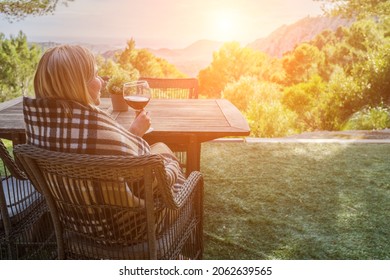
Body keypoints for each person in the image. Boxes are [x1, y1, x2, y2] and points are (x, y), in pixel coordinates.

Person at [23, 44, 185, 203]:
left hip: (73, 218)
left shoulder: (39, 127)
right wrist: (172, 166)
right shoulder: (96, 130)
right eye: (95, 75)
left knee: (159, 148)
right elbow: (150, 186)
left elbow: (112, 159)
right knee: (164, 153)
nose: (101, 81)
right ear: (78, 85)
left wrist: (133, 134)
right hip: (132, 225)